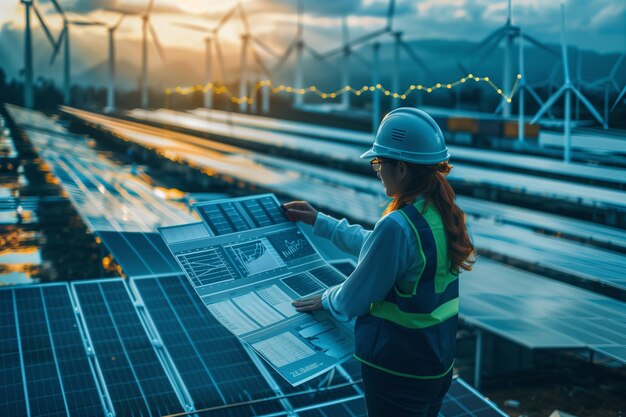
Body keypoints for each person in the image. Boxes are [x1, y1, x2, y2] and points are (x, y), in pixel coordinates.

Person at [283, 107, 475, 417]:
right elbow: (383, 250)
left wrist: (326, 297)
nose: (377, 170)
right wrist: (323, 223)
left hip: (398, 369)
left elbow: (352, 300)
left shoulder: (399, 224)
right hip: (436, 366)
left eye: (378, 162)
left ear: (400, 167)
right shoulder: (440, 213)